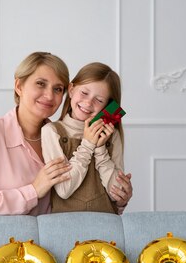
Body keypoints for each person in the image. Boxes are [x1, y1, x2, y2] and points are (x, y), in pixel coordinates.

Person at [0, 52, 74, 216]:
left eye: (58, 89)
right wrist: (33, 191)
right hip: (3, 241)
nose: (49, 95)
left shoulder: (65, 138)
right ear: (19, 86)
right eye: (40, 84)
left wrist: (117, 201)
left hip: (56, 241)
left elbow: (79, 202)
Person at [41, 62, 131, 214]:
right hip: (65, 227)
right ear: (71, 90)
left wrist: (101, 149)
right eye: (84, 93)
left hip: (107, 226)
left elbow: (118, 194)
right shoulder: (52, 131)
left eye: (99, 100)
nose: (88, 102)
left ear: (107, 106)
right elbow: (64, 190)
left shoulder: (111, 135)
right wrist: (88, 144)